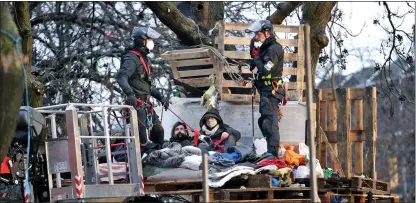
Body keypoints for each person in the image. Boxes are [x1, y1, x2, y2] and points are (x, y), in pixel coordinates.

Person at [116, 26, 169, 151]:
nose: (151, 44)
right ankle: (143, 158)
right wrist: (130, 95)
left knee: (158, 130)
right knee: (142, 140)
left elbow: (147, 85)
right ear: (141, 41)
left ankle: (159, 153)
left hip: (146, 103)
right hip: (137, 104)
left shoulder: (143, 59)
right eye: (149, 41)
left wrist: (161, 98)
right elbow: (121, 77)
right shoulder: (131, 58)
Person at [245, 20, 285, 156]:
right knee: (264, 121)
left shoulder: (274, 49)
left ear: (267, 33)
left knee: (269, 122)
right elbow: (258, 67)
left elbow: (266, 71)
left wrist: (256, 59)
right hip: (265, 91)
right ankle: (271, 152)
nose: (255, 37)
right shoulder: (265, 48)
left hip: (271, 90)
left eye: (258, 34)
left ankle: (272, 154)